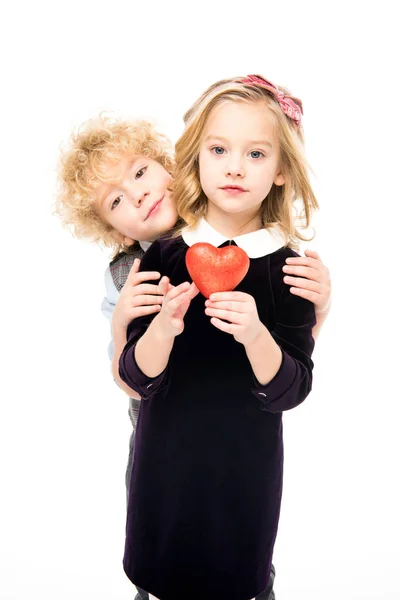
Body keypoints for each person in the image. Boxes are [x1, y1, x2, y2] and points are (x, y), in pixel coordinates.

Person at [56, 107, 331, 600]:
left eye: (141, 173)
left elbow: (291, 363)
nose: (138, 193)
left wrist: (319, 307)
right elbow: (129, 376)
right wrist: (124, 322)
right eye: (117, 199)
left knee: (239, 556)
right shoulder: (136, 269)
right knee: (164, 559)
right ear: (117, 230)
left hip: (234, 446)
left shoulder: (232, 225)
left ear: (174, 167)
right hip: (159, 434)